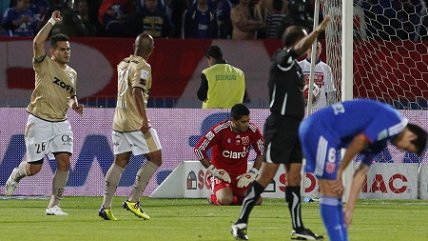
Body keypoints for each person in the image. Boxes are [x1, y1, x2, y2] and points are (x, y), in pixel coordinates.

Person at [231, 16, 331, 241]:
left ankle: (298, 228)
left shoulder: (294, 68)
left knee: (295, 177)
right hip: (280, 125)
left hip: (295, 127)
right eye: (305, 40)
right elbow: (296, 49)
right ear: (297, 42)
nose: (309, 46)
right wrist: (317, 31)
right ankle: (239, 223)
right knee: (267, 175)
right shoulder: (281, 58)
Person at [298, 99, 427, 241]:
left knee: (331, 190)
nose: (400, 150)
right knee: (331, 188)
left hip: (321, 132)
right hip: (321, 130)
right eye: (407, 148)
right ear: (412, 136)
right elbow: (359, 141)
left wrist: (349, 209)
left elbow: (361, 172)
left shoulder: (383, 139)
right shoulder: (392, 120)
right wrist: (340, 171)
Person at [4, 10, 84, 216]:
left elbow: (70, 95)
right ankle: (15, 176)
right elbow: (37, 43)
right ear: (52, 52)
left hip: (61, 122)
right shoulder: (43, 65)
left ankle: (54, 205)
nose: (67, 52)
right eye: (63, 49)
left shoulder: (72, 73)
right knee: (34, 168)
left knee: (64, 162)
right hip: (39, 121)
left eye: (68, 49)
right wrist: (51, 21)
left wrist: (75, 103)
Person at [98, 33, 162, 221]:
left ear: (133, 45)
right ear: (152, 49)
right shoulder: (143, 66)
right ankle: (133, 200)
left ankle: (105, 206)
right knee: (156, 158)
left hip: (119, 121)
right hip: (135, 123)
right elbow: (137, 92)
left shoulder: (123, 64)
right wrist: (144, 119)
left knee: (120, 161)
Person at [194, 104, 264, 205]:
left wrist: (252, 173)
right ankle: (214, 196)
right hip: (221, 176)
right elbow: (198, 149)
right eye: (243, 122)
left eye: (248, 120)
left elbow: (261, 152)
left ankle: (234, 198)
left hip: (240, 177)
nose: (247, 124)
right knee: (225, 200)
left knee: (258, 200)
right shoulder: (220, 130)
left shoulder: (252, 130)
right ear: (234, 121)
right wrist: (214, 171)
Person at [298, 41, 336, 110]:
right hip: (301, 110)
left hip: (320, 110)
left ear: (321, 50)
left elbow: (330, 92)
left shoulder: (326, 68)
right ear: (306, 50)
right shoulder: (299, 66)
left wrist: (331, 110)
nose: (314, 50)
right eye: (311, 47)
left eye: (317, 48)